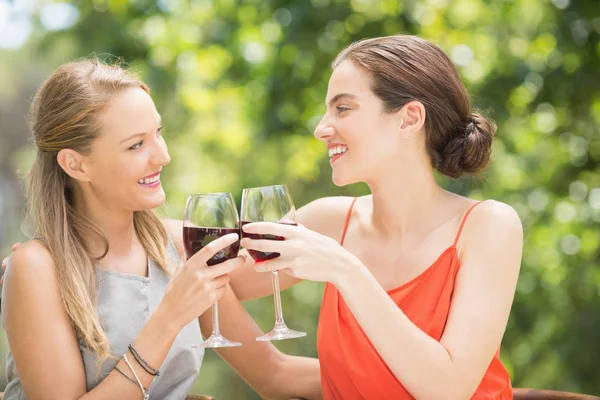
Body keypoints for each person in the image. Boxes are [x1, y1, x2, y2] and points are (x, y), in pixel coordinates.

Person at [0, 59, 321, 400]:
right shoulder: (37, 268)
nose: (162, 156)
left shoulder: (181, 248)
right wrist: (169, 317)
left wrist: (382, 371)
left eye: (158, 133)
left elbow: (275, 375)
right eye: (136, 145)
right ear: (76, 164)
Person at [235, 35, 523, 399]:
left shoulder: (488, 226)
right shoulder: (328, 221)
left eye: (343, 109)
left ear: (409, 118)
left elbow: (447, 390)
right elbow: (213, 280)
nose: (321, 128)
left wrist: (345, 269)